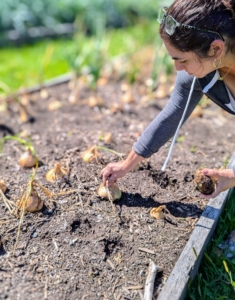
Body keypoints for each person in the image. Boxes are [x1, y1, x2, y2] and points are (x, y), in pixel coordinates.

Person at [101, 0, 235, 199]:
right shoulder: (200, 73)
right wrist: (125, 165)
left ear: (216, 49)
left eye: (183, 60)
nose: (178, 68)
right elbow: (172, 114)